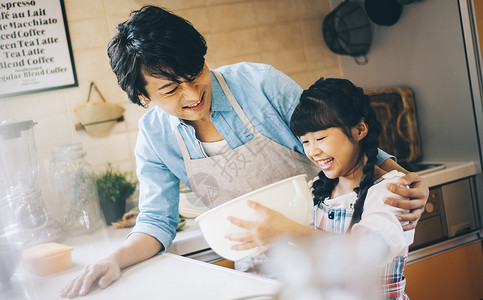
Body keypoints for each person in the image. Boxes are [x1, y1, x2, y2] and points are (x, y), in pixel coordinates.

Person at [60, 5, 428, 298]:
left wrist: (400, 176)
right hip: (258, 277)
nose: (192, 94)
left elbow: (334, 132)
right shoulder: (155, 137)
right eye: (171, 90)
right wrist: (114, 260)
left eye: (195, 73)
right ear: (144, 97)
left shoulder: (258, 83)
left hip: (330, 258)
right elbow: (157, 221)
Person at [227, 78, 415, 299]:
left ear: (359, 129)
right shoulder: (316, 190)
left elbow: (365, 252)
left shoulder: (392, 190)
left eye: (320, 138)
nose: (313, 151)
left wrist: (287, 230)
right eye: (305, 142)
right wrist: (273, 240)